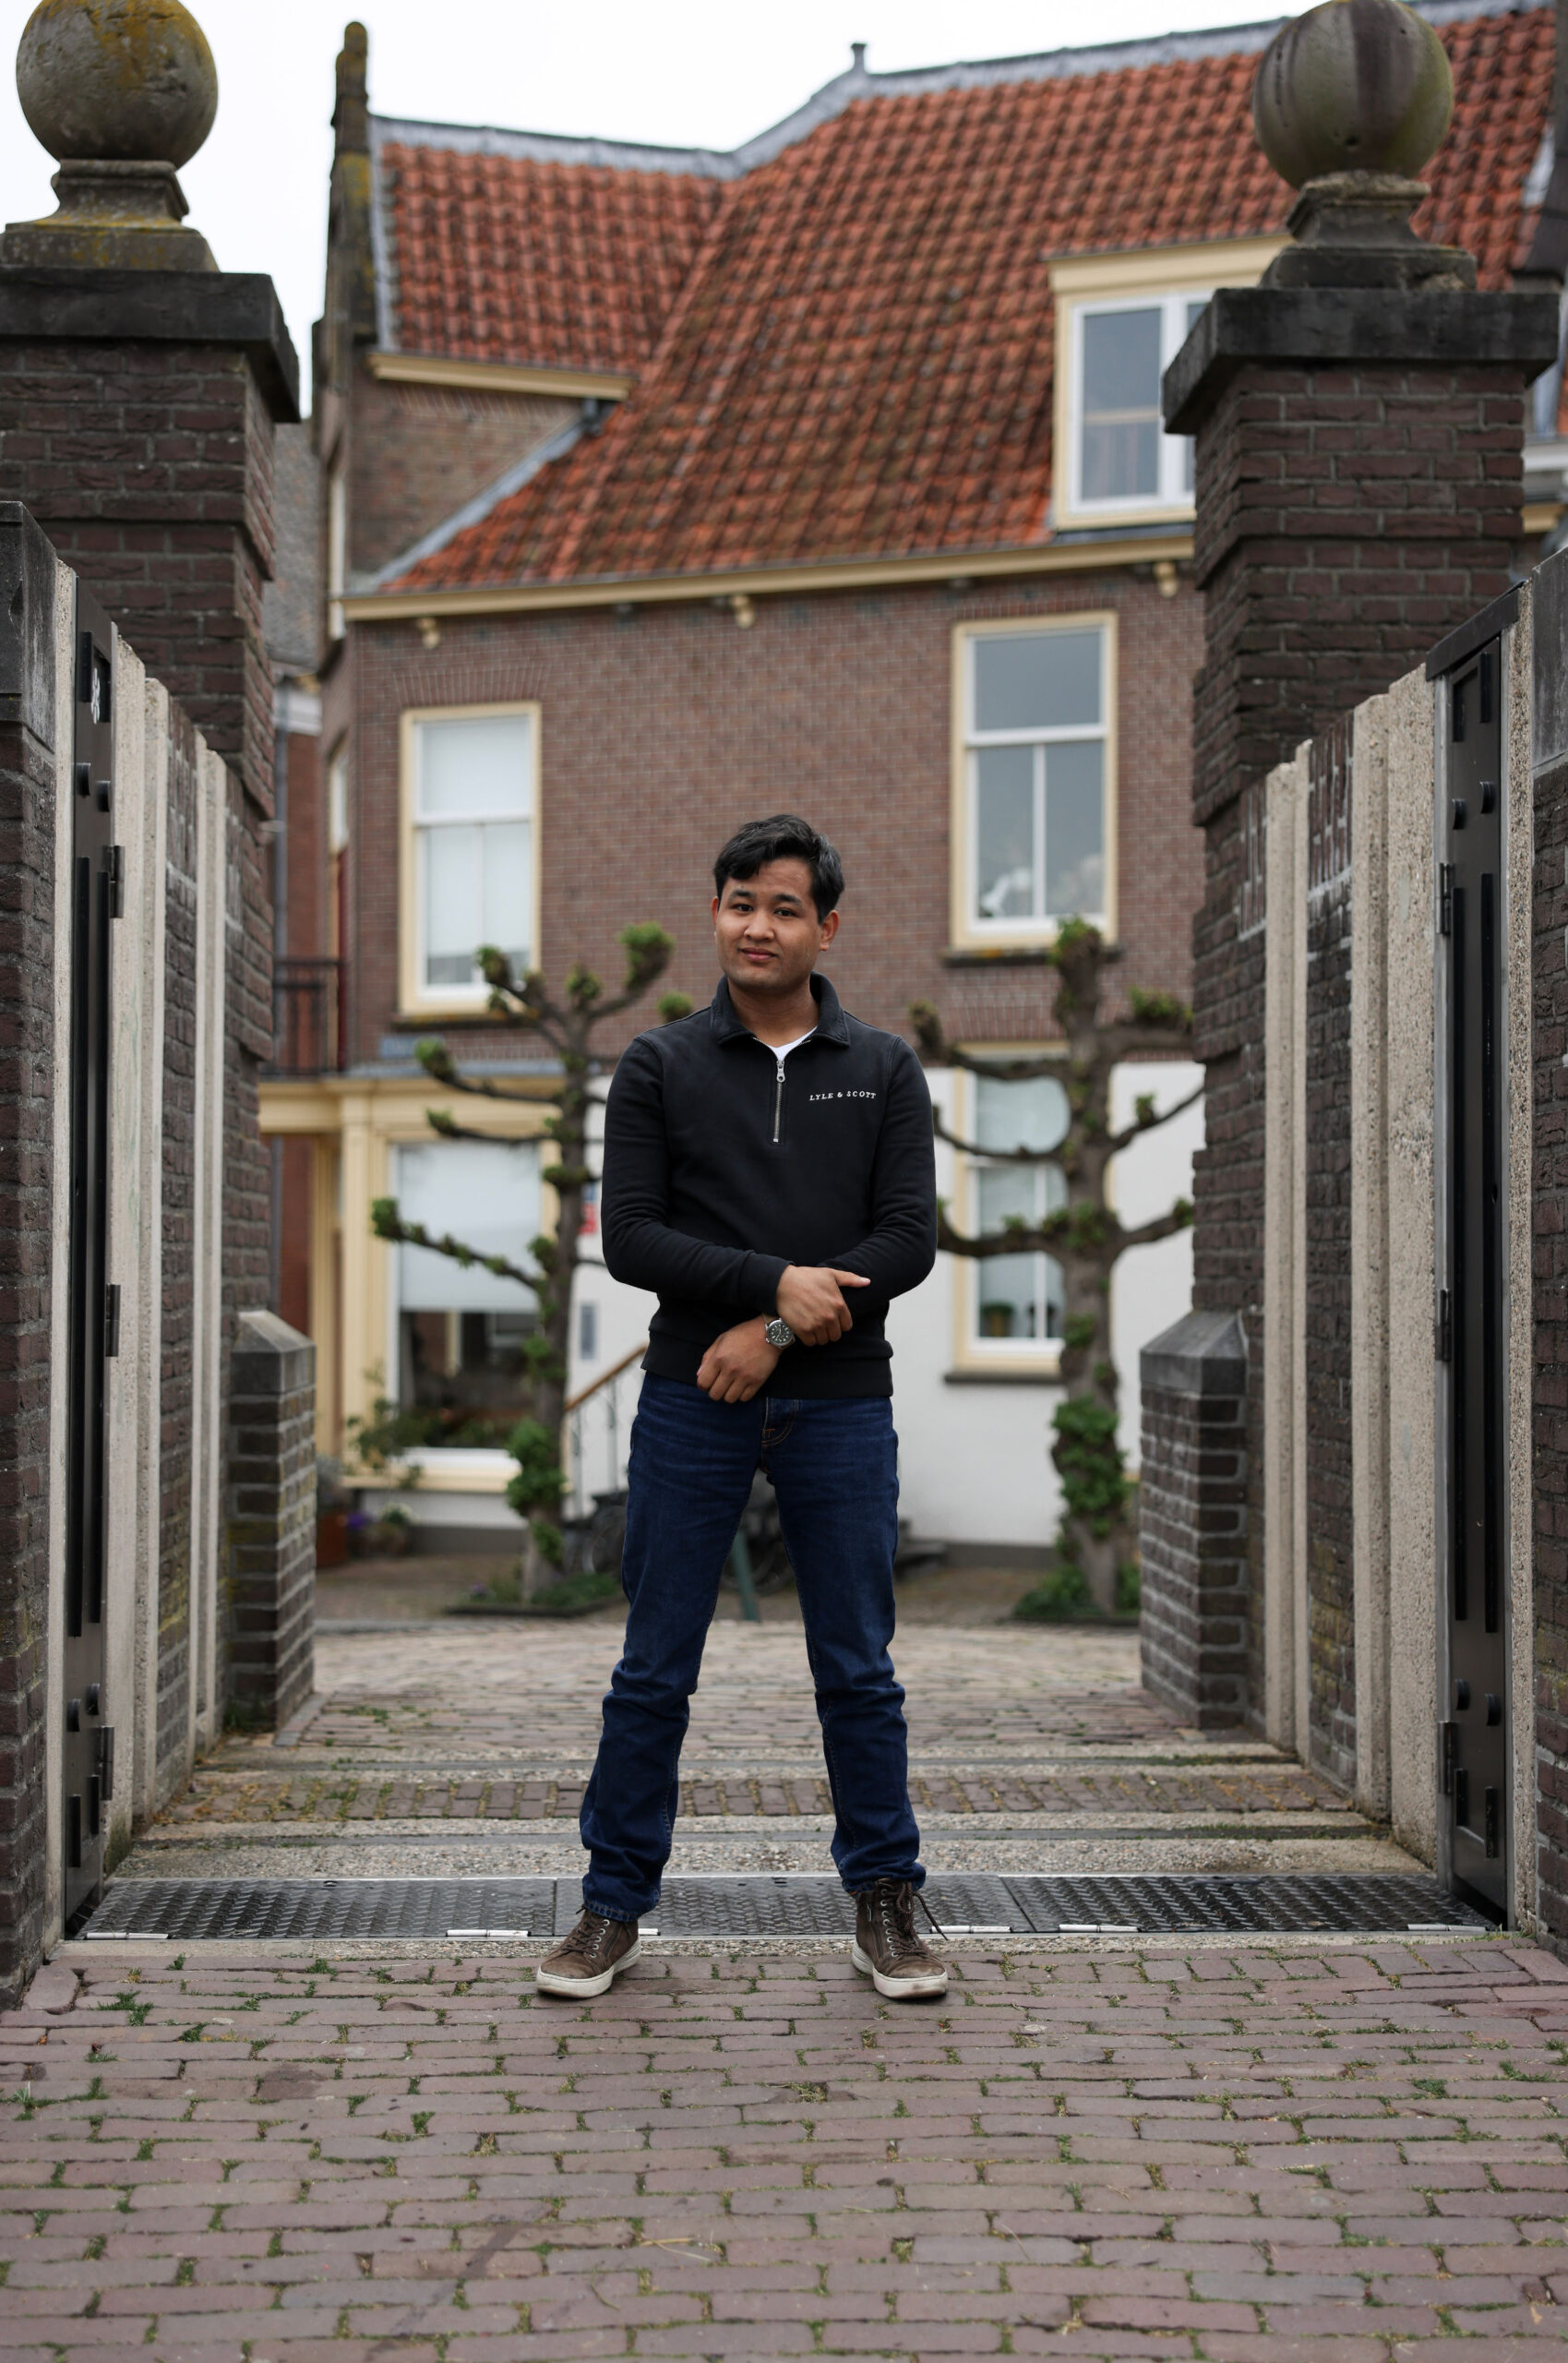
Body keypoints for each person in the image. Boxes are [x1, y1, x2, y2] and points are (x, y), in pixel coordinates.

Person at [534, 813, 944, 2001]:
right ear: (714, 912)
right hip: (690, 1399)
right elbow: (632, 1236)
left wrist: (770, 1332)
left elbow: (906, 1241)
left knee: (857, 1668)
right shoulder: (658, 1064)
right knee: (653, 1666)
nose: (756, 926)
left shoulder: (882, 1067)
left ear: (827, 926)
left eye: (782, 907)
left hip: (839, 1405)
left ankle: (885, 1901)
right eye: (738, 903)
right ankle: (611, 1905)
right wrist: (773, 1284)